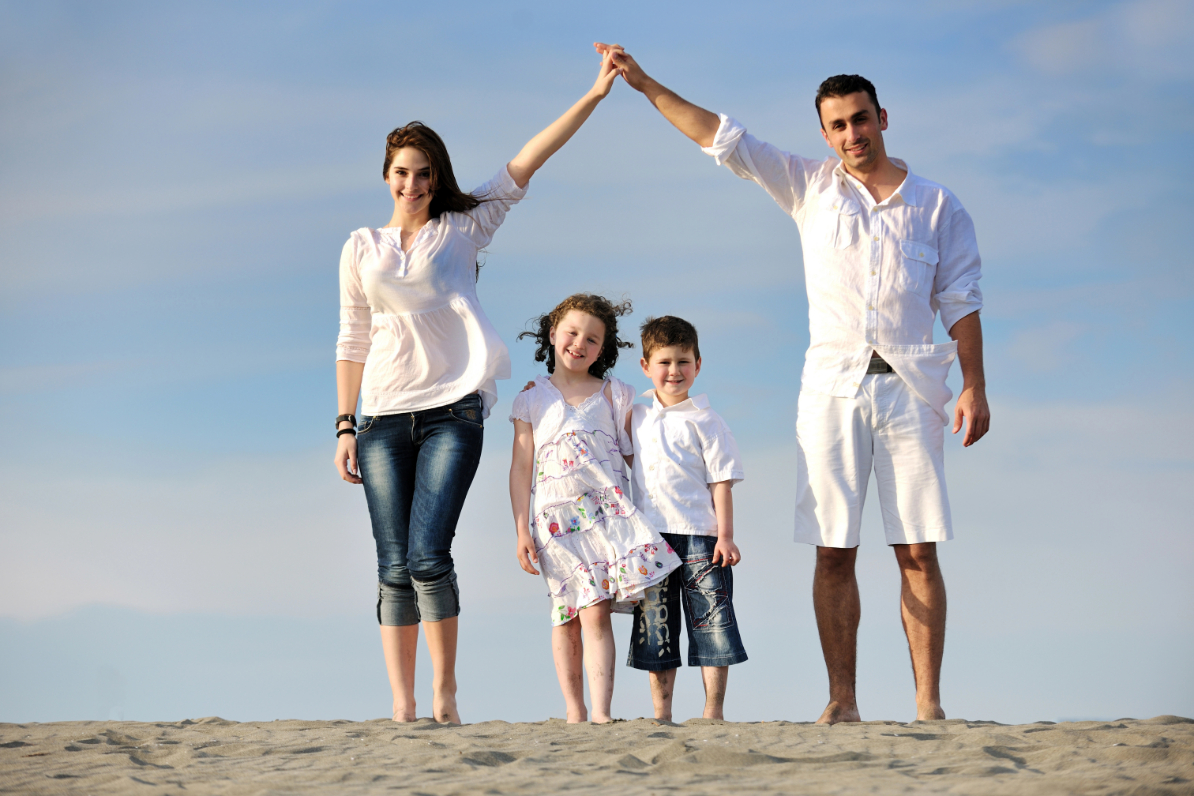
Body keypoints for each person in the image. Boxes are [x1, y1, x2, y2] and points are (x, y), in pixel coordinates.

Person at [597, 42, 990, 724]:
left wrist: (975, 386)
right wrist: (643, 83)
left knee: (918, 550)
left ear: (883, 117)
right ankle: (843, 700)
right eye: (837, 125)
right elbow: (721, 137)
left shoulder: (937, 206)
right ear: (824, 133)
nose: (852, 134)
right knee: (834, 549)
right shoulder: (808, 184)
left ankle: (929, 704)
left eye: (860, 119)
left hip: (912, 390)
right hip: (831, 390)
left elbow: (962, 300)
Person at [333, 51, 623, 725]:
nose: (412, 183)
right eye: (402, 172)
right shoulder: (360, 249)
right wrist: (344, 425)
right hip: (380, 419)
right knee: (393, 562)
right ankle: (403, 706)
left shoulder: (464, 226)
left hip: (453, 414)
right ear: (386, 176)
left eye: (424, 173)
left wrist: (595, 94)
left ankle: (445, 694)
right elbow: (351, 339)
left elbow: (529, 159)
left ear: (438, 178)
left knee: (429, 553)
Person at [509, 294, 682, 723]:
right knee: (565, 614)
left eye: (592, 338)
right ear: (552, 334)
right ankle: (575, 710)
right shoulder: (531, 399)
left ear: (602, 349)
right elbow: (520, 468)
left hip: (606, 517)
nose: (579, 344)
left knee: (596, 610)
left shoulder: (616, 394)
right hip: (554, 523)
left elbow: (640, 455)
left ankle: (601, 712)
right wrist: (521, 530)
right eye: (571, 333)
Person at [626, 316, 747, 722]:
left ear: (698, 364)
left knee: (711, 621)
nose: (674, 371)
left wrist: (725, 536)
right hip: (650, 539)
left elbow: (721, 484)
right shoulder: (636, 417)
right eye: (664, 362)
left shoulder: (708, 421)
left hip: (700, 536)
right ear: (646, 366)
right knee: (656, 627)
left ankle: (713, 711)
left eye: (683, 361)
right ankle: (662, 715)